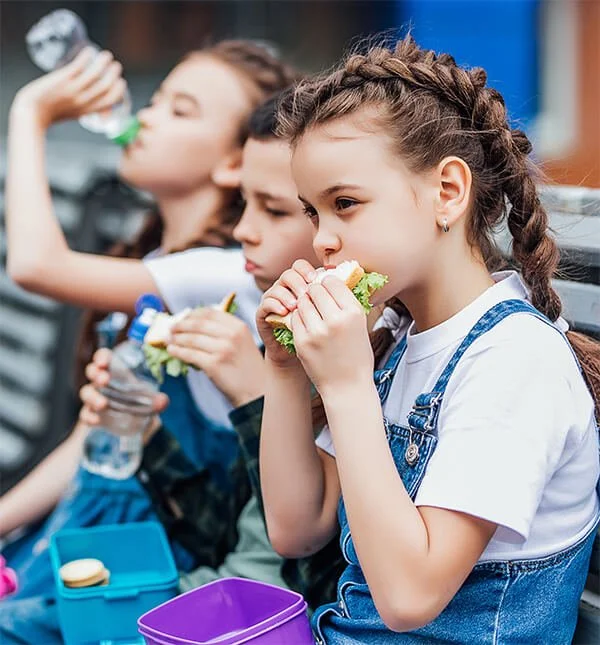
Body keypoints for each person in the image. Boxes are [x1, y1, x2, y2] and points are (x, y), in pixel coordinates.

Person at [257, 35, 600, 643]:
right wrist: (284, 370)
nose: (322, 241)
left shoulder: (514, 361)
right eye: (314, 212)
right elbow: (297, 526)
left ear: (447, 192)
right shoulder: (398, 337)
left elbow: (410, 597)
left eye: (346, 204)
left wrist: (345, 383)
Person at [0, 93, 344, 645]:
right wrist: (150, 436)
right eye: (245, 205)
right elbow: (233, 529)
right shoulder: (268, 308)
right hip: (182, 572)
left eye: (277, 210)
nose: (243, 231)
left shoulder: (271, 307)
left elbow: (300, 559)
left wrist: (259, 397)